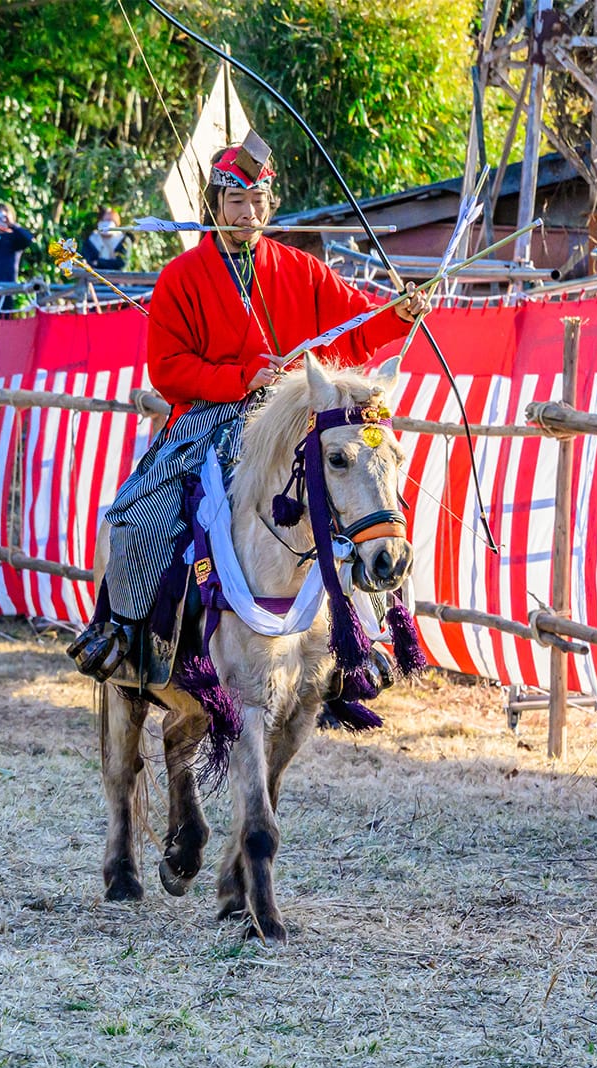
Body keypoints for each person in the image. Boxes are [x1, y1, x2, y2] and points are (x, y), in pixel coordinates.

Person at [67, 133, 429, 680]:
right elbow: (166, 370)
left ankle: (368, 641)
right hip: (209, 416)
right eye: (235, 201)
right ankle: (120, 628)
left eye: (258, 200)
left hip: (289, 416)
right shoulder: (180, 278)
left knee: (358, 488)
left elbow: (355, 326)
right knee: (138, 509)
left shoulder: (299, 268)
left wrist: (400, 314)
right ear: (214, 205)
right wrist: (239, 378)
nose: (247, 212)